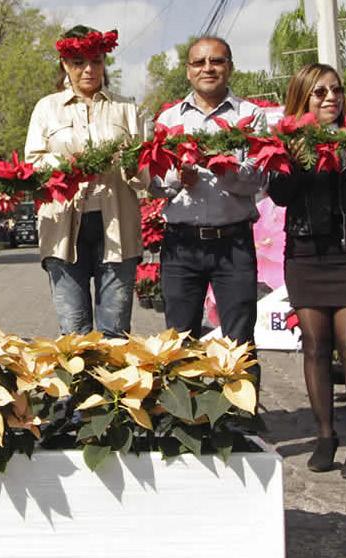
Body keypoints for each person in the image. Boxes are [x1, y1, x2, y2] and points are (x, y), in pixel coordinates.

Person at [267, 63, 346, 480]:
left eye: (336, 90)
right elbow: (279, 195)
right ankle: (325, 435)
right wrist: (298, 158)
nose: (331, 97)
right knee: (315, 345)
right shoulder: (286, 141)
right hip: (306, 253)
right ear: (303, 98)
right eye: (320, 92)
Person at [24, 25, 146, 338]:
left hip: (117, 225)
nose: (88, 69)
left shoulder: (126, 108)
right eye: (79, 62)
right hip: (62, 227)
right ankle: (76, 372)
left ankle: (114, 372)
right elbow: (32, 165)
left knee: (115, 331)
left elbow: (145, 174)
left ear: (104, 62)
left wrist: (131, 163)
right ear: (65, 64)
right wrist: (69, 164)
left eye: (96, 61)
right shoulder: (46, 109)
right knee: (73, 331)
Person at [151, 36, 265, 355]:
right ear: (188, 71)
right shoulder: (168, 120)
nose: (208, 68)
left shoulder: (251, 116)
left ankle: (238, 392)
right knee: (179, 344)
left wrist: (221, 168)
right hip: (181, 245)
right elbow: (154, 185)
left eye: (216, 61)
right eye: (199, 62)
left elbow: (257, 179)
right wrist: (178, 178)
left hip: (233, 244)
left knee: (239, 343)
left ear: (230, 67)